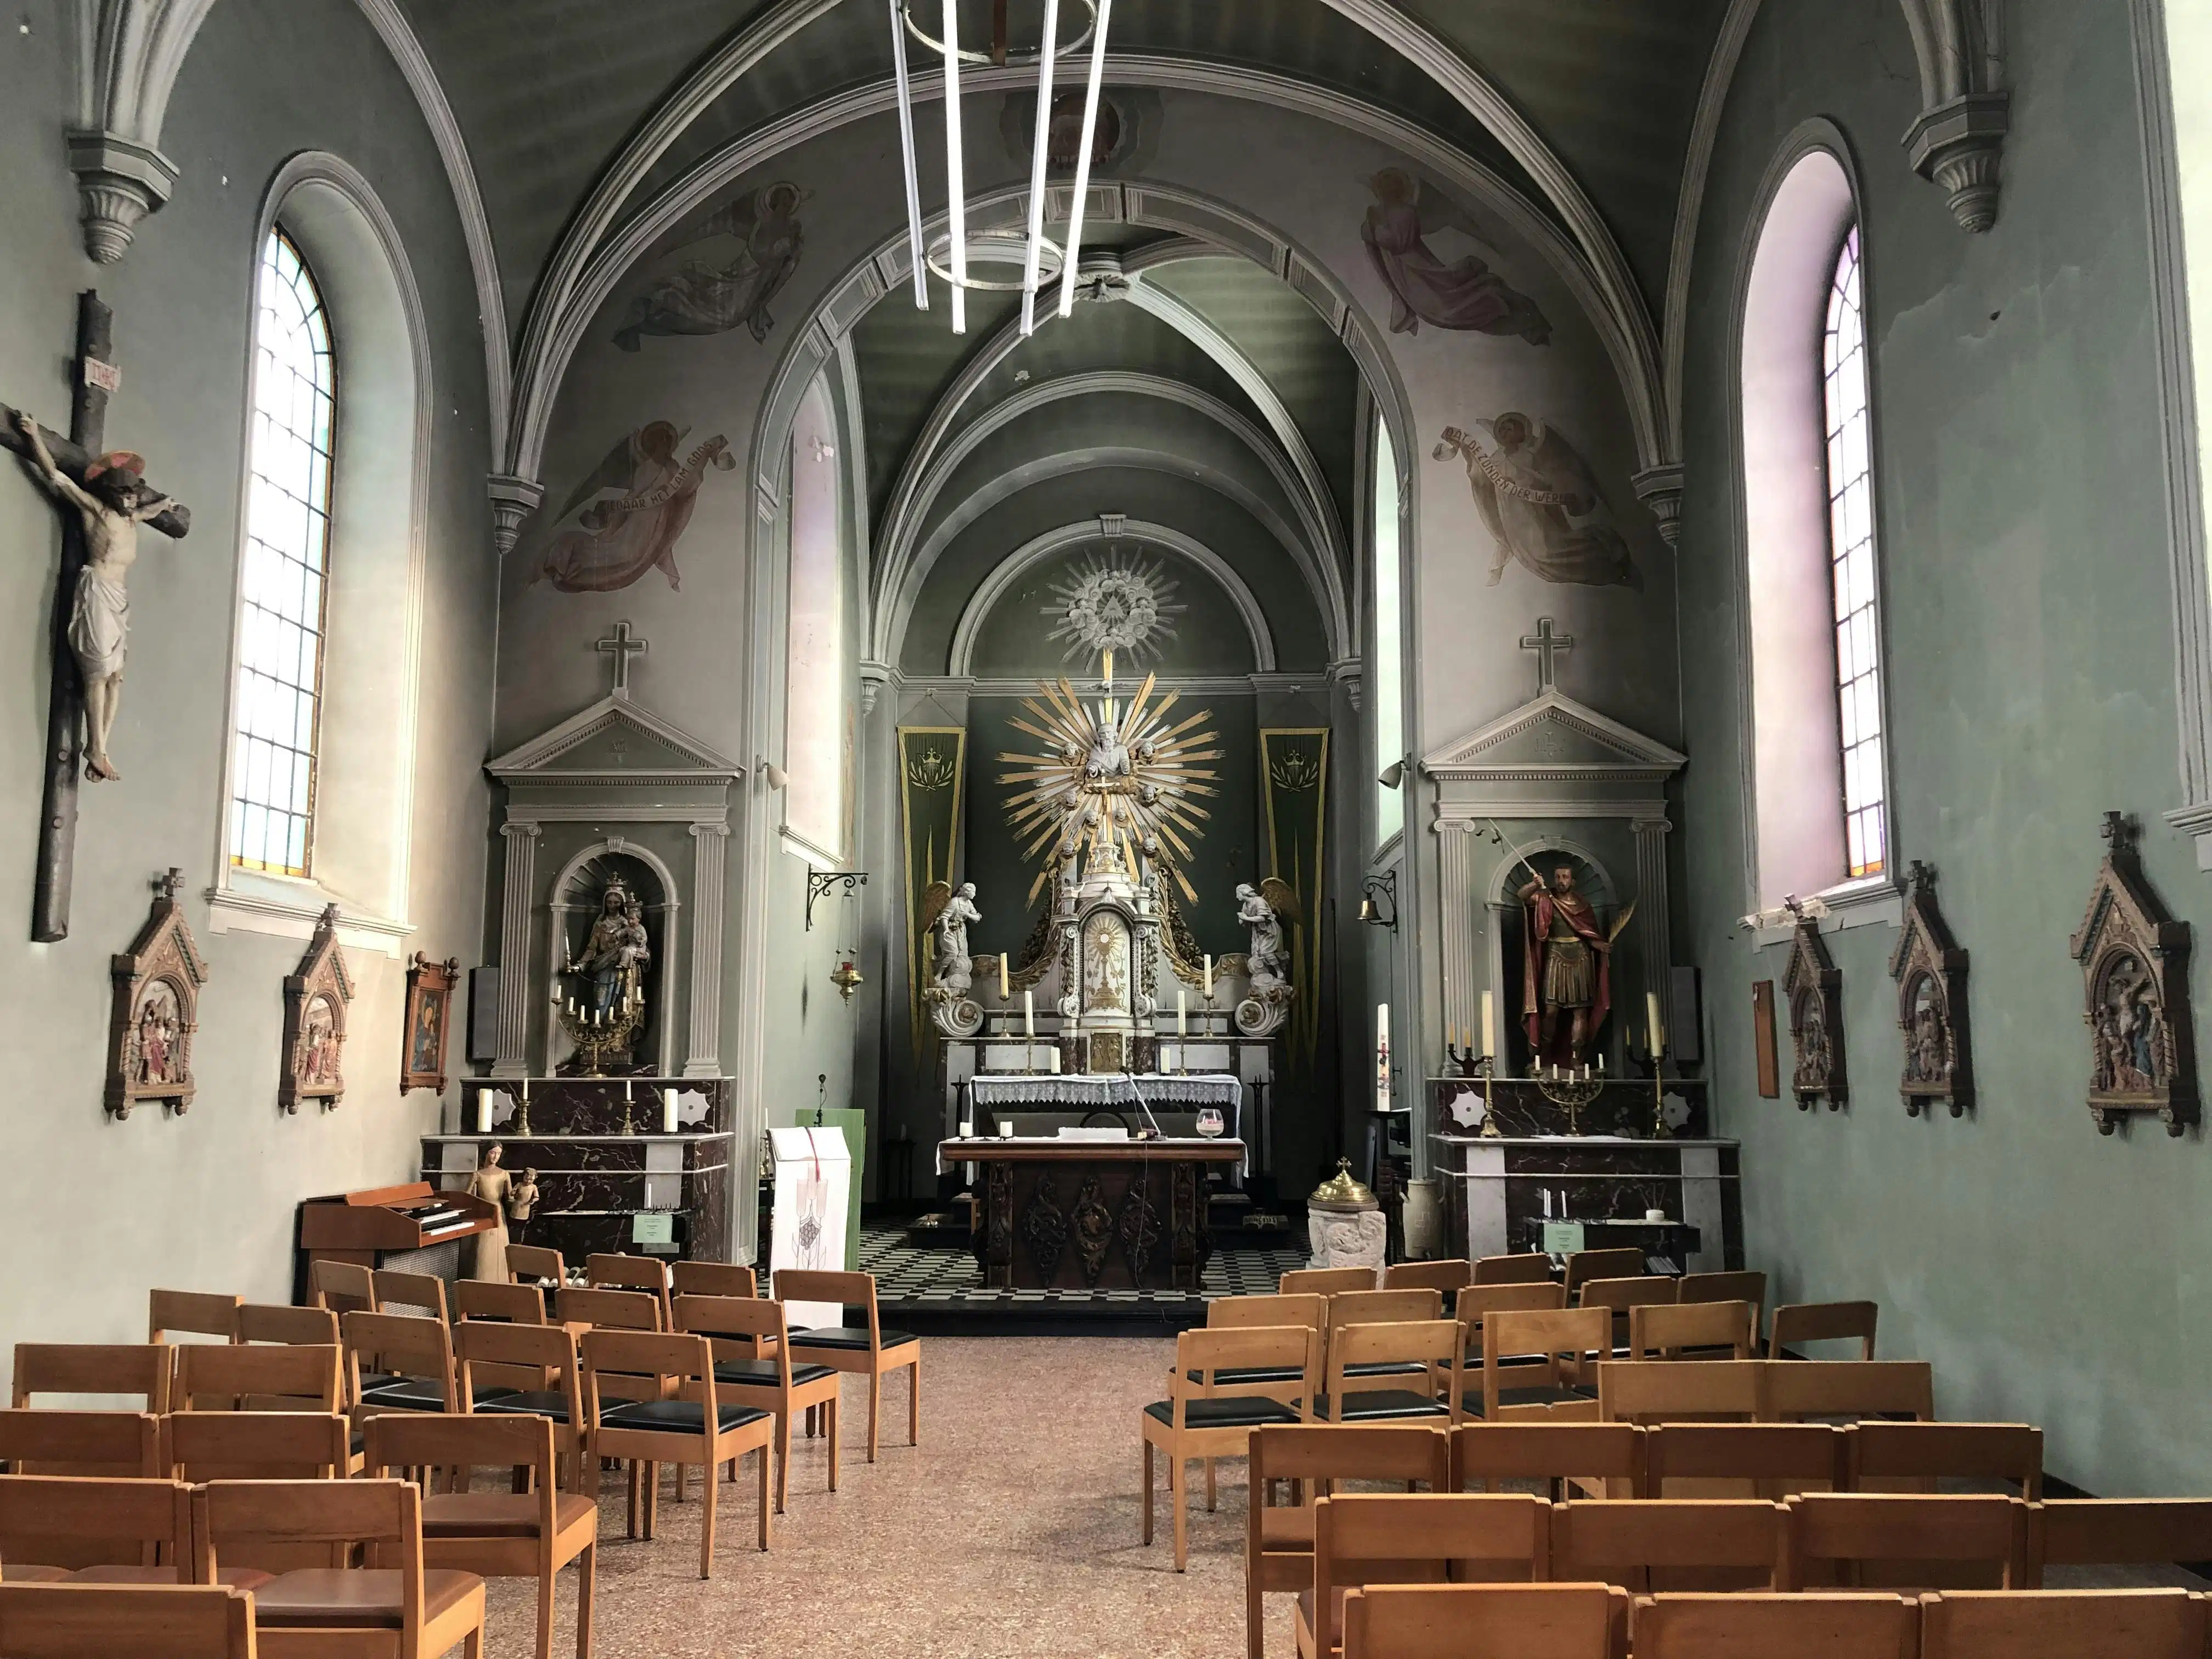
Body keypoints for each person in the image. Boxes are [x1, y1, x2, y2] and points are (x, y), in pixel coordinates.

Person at [13, 409, 178, 780]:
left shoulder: (133, 519)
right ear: (113, 494)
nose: (133, 502)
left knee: (116, 676)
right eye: (127, 496)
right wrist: (34, 436)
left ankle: (99, 746)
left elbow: (150, 511)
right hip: (98, 592)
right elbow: (57, 477)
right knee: (98, 671)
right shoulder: (97, 512)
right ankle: (97, 747)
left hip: (119, 598)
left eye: (135, 496)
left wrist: (163, 506)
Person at [1519, 862, 1613, 1064]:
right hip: (1555, 956)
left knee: (1580, 1011)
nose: (1561, 881)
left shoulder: (1582, 905)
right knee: (1551, 1011)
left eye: (1565, 877)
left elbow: (1587, 932)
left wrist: (1599, 945)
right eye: (1558, 877)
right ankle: (1543, 1055)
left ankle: (1577, 1058)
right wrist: (1535, 884)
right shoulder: (1545, 898)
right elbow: (1523, 896)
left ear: (1573, 881)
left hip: (1580, 958)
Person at [466, 1143, 513, 1280]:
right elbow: (467, 1195)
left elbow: (510, 1197)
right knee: (484, 1247)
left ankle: (502, 1281)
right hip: (484, 1212)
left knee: (500, 1246)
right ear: (486, 1153)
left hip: (499, 1212)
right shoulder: (477, 1175)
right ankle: (482, 1280)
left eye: (499, 1154)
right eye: (493, 1153)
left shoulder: (505, 1174)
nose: (495, 1157)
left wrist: (521, 1198)